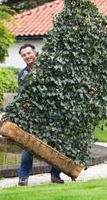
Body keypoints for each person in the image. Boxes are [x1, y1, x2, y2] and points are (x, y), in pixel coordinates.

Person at [17, 43, 64, 186]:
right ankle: (23, 177)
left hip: (52, 113)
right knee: (28, 145)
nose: (27, 56)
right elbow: (22, 94)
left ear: (35, 53)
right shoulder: (23, 74)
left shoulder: (47, 67)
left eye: (29, 53)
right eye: (24, 55)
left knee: (55, 145)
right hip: (33, 115)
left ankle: (55, 175)